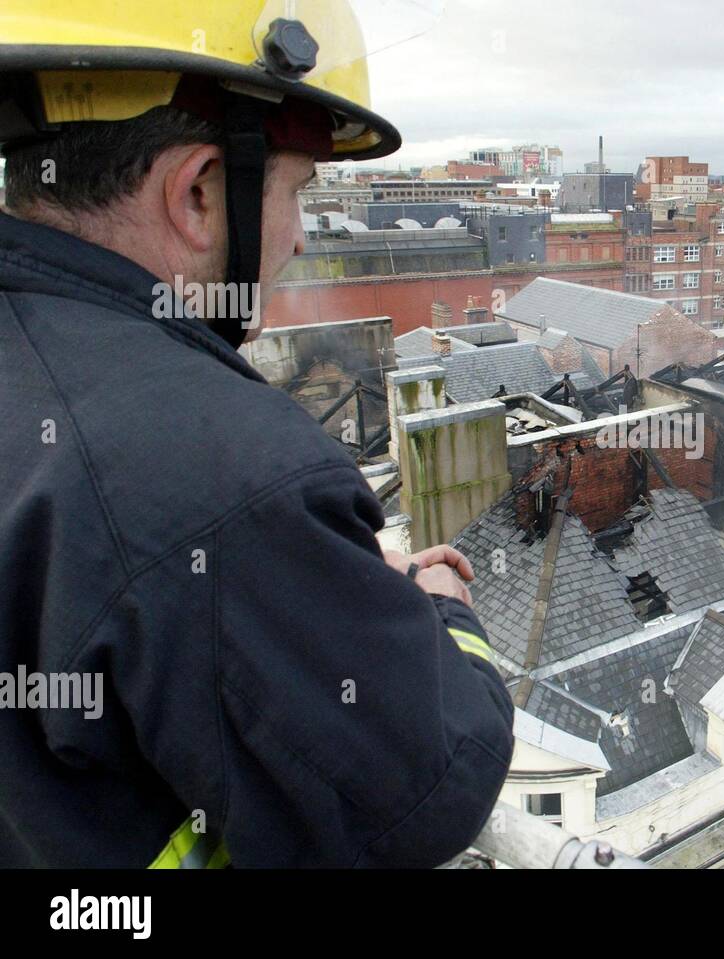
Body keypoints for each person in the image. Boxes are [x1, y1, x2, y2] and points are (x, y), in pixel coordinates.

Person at [0, 0, 514, 867]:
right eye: (299, 190)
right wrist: (440, 609)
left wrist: (311, 575)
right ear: (201, 191)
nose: (303, 236)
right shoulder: (226, 474)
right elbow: (427, 784)